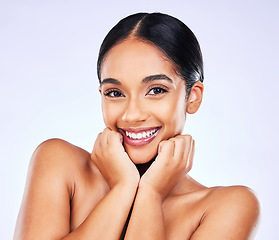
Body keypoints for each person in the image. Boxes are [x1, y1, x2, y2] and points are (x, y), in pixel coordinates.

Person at [14, 12, 260, 239]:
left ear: (192, 96)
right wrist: (123, 187)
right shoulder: (59, 163)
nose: (132, 115)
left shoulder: (226, 206)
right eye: (115, 92)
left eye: (156, 90)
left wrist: (150, 193)